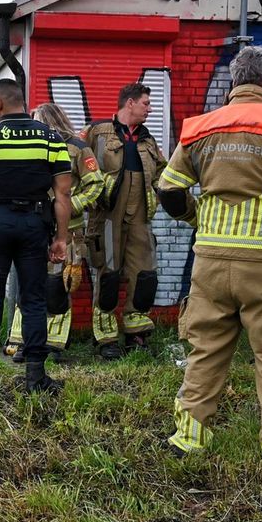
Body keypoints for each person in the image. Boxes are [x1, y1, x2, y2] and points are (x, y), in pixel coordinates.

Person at [156, 45, 262, 473]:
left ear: (235, 81)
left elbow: (169, 189)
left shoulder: (199, 127)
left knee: (205, 351)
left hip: (210, 260)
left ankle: (188, 439)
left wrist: (199, 218)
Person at [0, 79, 72, 394]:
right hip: (34, 226)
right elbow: (63, 195)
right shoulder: (51, 138)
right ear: (20, 102)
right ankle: (35, 377)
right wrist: (61, 239)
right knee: (34, 299)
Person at [5, 103, 106, 359]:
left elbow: (96, 185)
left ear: (50, 120)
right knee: (28, 286)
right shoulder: (31, 146)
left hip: (69, 232)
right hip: (33, 228)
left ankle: (54, 344)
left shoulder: (78, 148)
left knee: (56, 288)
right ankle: (23, 341)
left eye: (37, 120)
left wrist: (71, 206)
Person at [83, 83, 166, 360]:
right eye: (146, 103)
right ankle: (106, 338)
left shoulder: (148, 140)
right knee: (108, 274)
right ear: (129, 103)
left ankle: (136, 333)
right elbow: (75, 164)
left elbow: (162, 174)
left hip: (140, 217)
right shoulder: (97, 132)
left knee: (144, 275)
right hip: (107, 216)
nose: (150, 109)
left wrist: (164, 191)